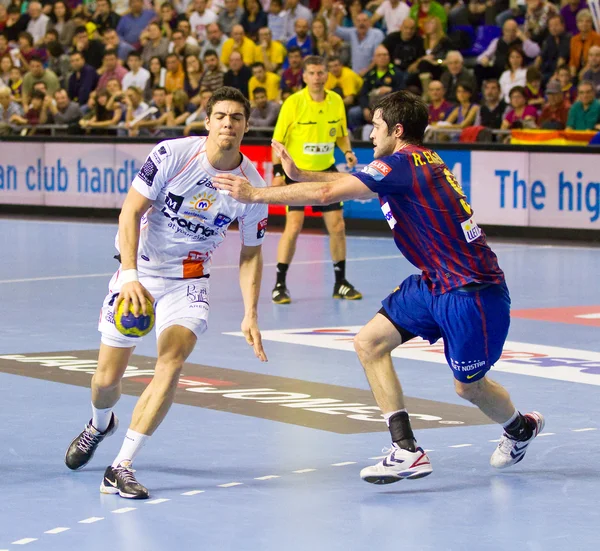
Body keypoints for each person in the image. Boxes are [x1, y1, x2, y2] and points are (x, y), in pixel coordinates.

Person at [213, 89, 545, 485]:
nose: (369, 135)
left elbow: (326, 195)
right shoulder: (409, 162)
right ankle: (406, 449)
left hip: (471, 294)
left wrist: (254, 194)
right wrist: (300, 173)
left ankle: (519, 428)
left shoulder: (403, 164)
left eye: (376, 126)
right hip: (433, 283)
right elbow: (351, 181)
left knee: (468, 388)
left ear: (397, 131)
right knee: (369, 342)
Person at [64, 86, 268, 499]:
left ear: (246, 126)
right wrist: (129, 275)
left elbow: (250, 254)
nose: (228, 123)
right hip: (140, 270)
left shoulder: (252, 187)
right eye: (221, 116)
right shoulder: (173, 154)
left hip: (190, 279)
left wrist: (251, 312)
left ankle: (121, 465)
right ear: (208, 121)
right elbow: (130, 211)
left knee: (171, 362)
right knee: (106, 380)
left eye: (237, 118)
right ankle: (100, 424)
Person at [270, 55, 361, 304]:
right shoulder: (293, 103)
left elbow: (341, 133)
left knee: (338, 226)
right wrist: (278, 173)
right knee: (294, 225)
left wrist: (348, 152)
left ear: (327, 75)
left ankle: (340, 283)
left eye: (321, 73)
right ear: (304, 76)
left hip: (327, 173)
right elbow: (278, 142)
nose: (317, 78)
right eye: (312, 73)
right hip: (298, 174)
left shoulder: (336, 101)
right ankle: (279, 284)